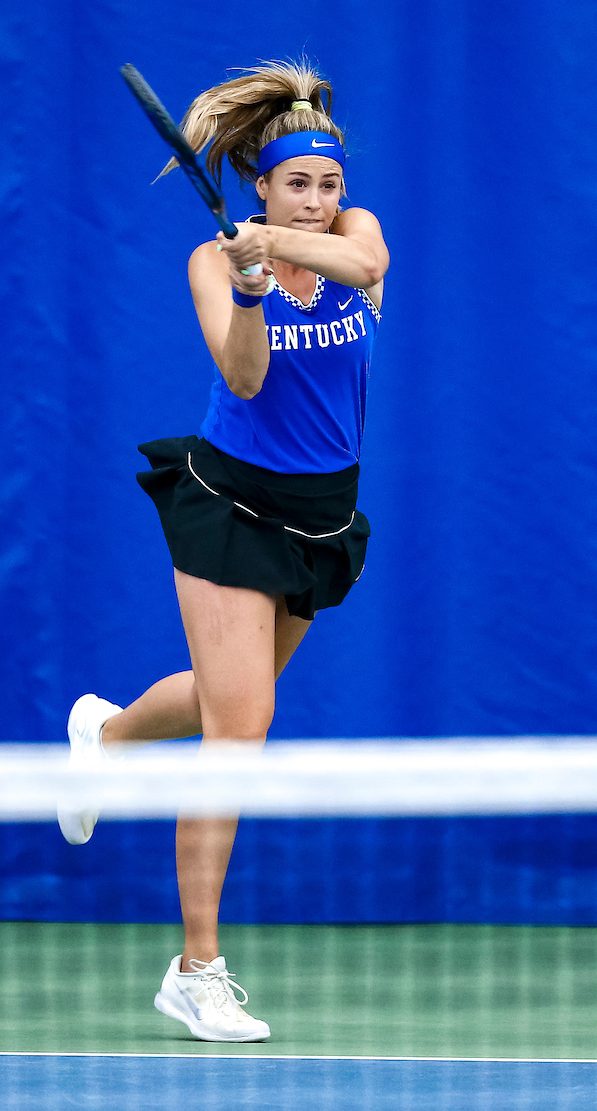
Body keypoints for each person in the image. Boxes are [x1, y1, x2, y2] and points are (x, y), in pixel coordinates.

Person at [56, 61, 389, 1043]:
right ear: (260, 180)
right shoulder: (213, 264)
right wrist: (248, 285)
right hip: (229, 504)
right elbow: (244, 382)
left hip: (322, 514)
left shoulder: (359, 237)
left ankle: (106, 739)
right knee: (239, 733)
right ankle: (196, 969)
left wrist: (278, 245)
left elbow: (363, 271)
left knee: (221, 699)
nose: (321, 201)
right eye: (298, 184)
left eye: (329, 184)